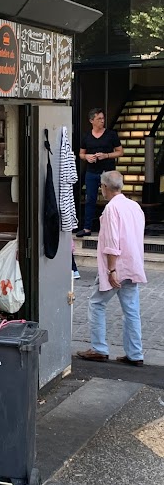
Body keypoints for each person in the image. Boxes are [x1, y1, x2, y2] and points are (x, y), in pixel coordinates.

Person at [76, 171, 146, 366]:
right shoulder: (134, 206)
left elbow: (112, 241)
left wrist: (111, 269)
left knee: (97, 303)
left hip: (117, 266)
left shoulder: (111, 209)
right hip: (133, 264)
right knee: (131, 310)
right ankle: (135, 353)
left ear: (105, 187)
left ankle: (99, 348)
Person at [77, 108, 123, 237]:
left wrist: (106, 155)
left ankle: (114, 227)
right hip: (91, 171)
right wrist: (87, 157)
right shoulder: (86, 136)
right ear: (92, 121)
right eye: (99, 119)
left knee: (112, 198)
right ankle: (87, 228)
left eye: (103, 118)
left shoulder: (111, 134)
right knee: (90, 199)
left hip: (108, 172)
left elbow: (120, 151)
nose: (102, 121)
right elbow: (81, 153)